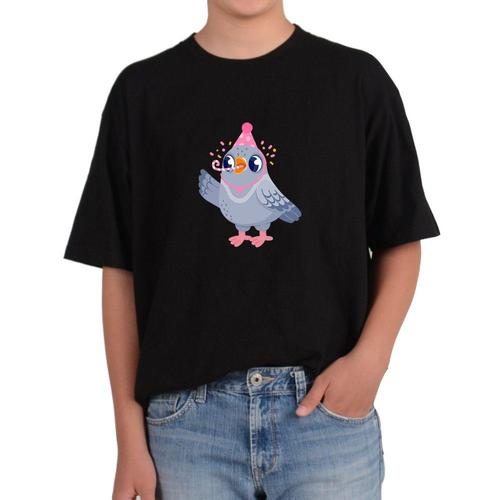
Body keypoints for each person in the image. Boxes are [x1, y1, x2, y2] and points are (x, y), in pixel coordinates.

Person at [63, 0, 440, 498]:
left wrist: (371, 361)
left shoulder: (356, 82)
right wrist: (128, 436)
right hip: (186, 429)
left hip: (325, 417)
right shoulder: (141, 93)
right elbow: (120, 272)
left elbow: (400, 239)